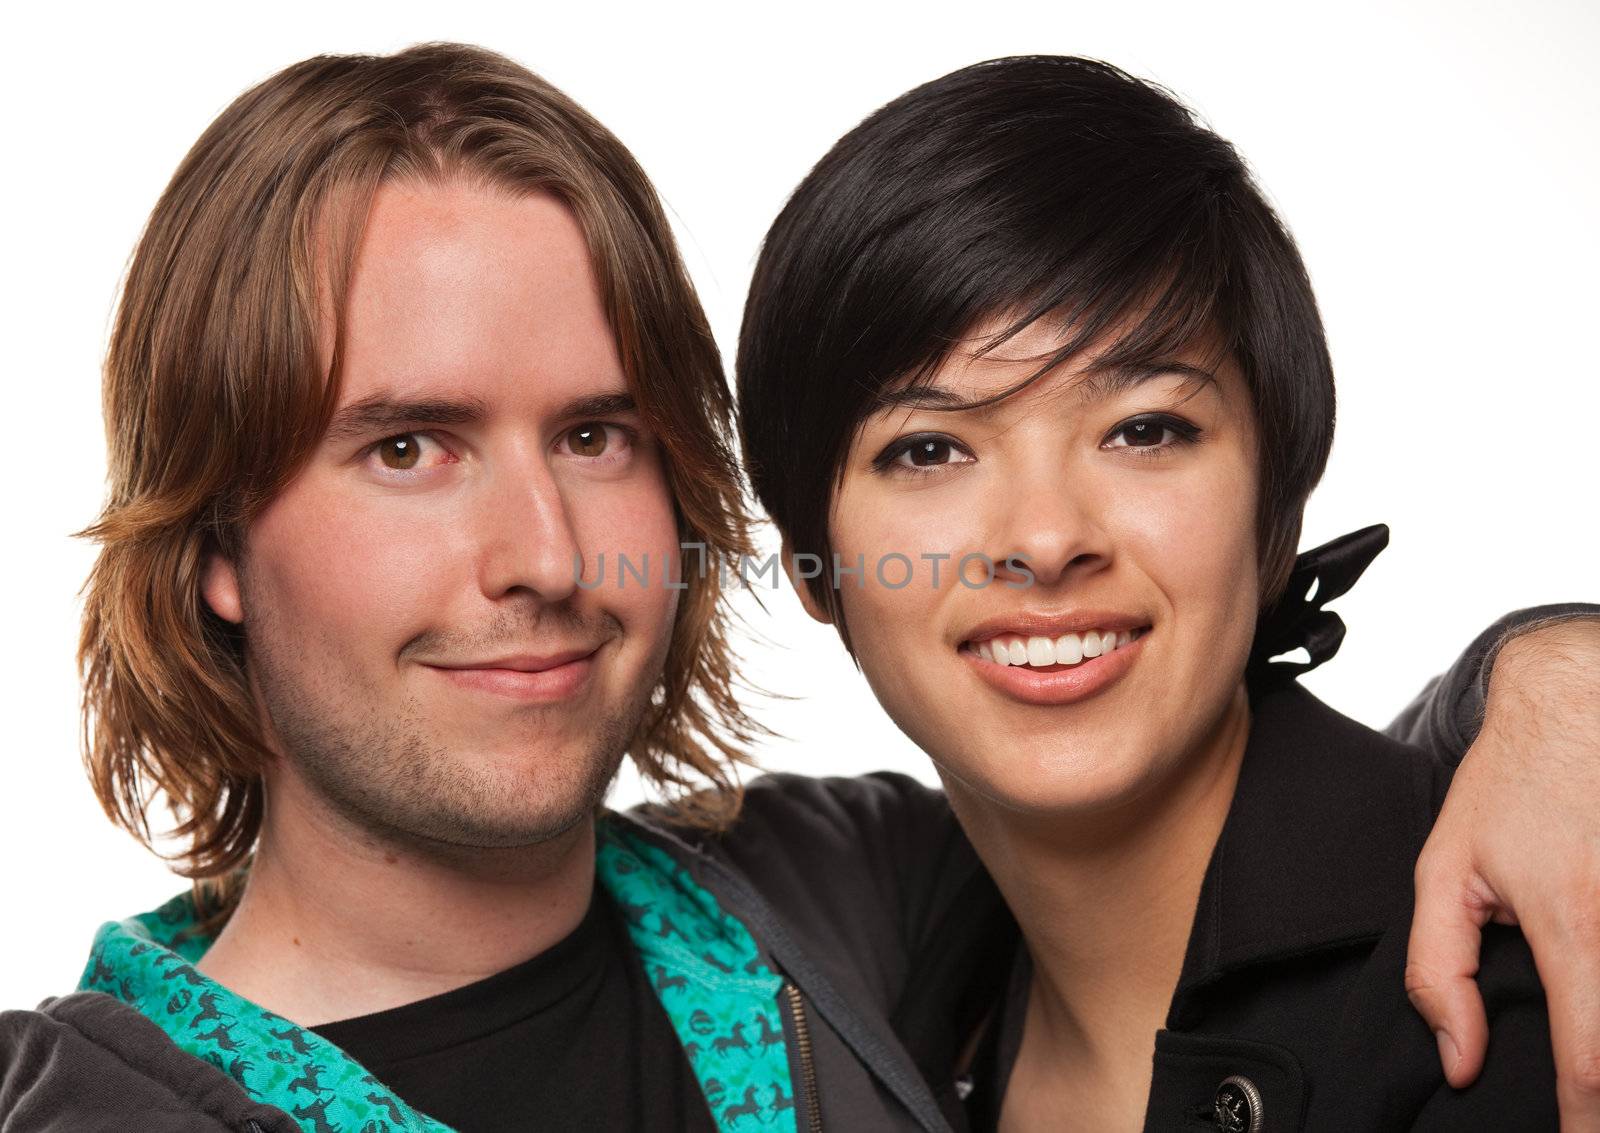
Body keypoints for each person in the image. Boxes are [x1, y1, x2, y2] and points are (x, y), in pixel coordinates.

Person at [0, 42, 1594, 1133]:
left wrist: (1552, 678)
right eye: (409, 446)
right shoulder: (83, 1106)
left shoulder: (849, 893)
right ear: (211, 541)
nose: (546, 556)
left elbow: (1238, 824)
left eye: (597, 433)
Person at [733, 54, 1594, 1128]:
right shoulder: (882, 977)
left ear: (1274, 508)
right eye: (928, 449)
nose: (1045, 539)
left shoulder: (1531, 985)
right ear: (814, 564)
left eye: (1145, 428)